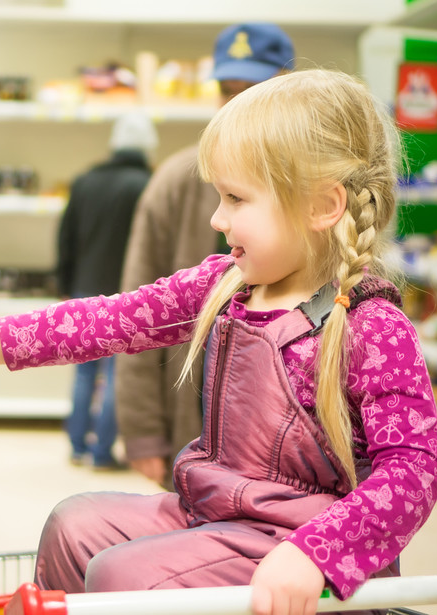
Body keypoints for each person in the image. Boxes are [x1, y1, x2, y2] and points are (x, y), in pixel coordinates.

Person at [0, 70, 437, 615]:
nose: (216, 217)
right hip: (211, 514)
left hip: (298, 546)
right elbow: (107, 320)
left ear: (322, 207)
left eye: (236, 198)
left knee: (123, 575)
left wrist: (319, 554)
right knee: (73, 525)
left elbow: (414, 472)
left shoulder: (371, 327)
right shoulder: (226, 285)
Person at [117, 22, 297, 488]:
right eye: (228, 89)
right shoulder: (176, 182)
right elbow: (135, 311)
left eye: (254, 90)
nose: (238, 104)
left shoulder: (314, 185)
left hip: (293, 436)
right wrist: (142, 433)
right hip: (193, 421)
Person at [55, 112, 157, 469]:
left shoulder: (85, 181)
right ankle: (102, 452)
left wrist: (67, 284)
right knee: (117, 374)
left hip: (85, 287)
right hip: (127, 292)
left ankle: (76, 446)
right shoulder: (148, 183)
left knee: (84, 371)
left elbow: (65, 237)